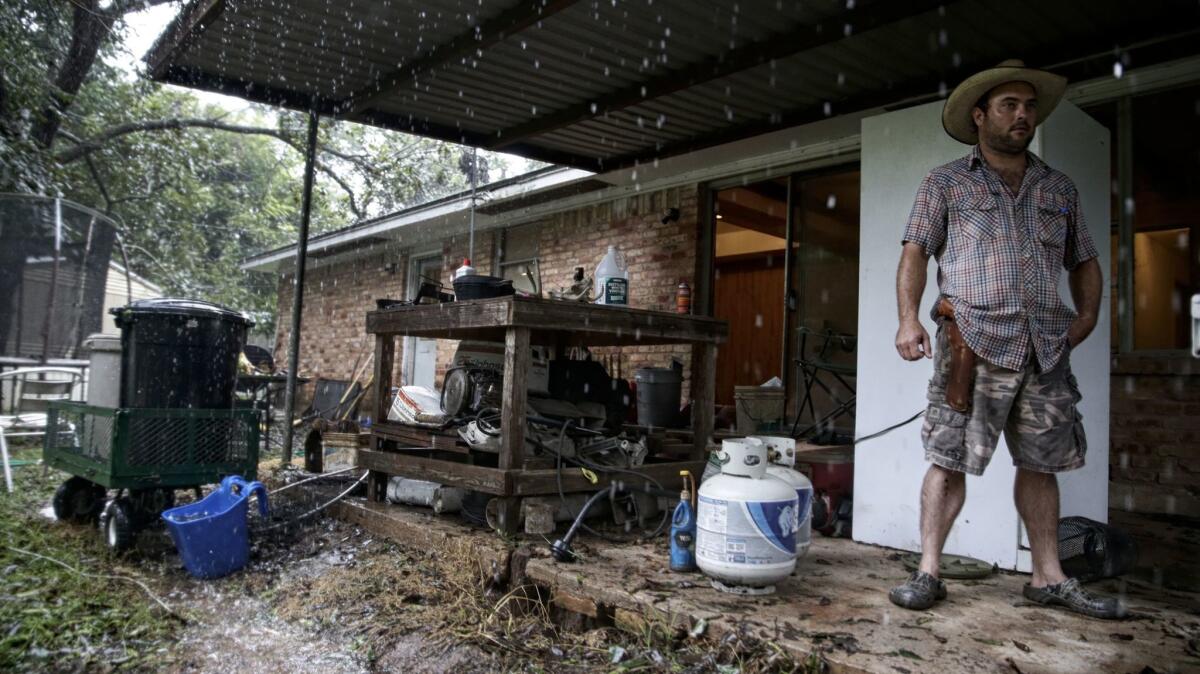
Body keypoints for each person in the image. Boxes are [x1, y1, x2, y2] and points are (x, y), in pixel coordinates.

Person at [889, 60, 1123, 619]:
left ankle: (1047, 578)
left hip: (1046, 348)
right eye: (1009, 105)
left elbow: (1085, 259)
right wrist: (908, 318)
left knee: (1041, 464)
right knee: (948, 459)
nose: (1023, 115)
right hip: (972, 343)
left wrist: (1085, 317)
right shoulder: (944, 183)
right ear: (979, 116)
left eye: (1029, 106)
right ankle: (928, 572)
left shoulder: (1057, 188)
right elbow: (915, 252)